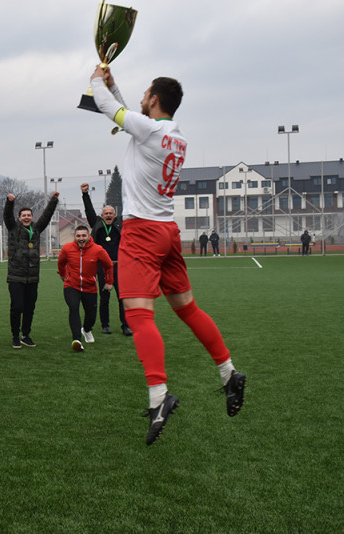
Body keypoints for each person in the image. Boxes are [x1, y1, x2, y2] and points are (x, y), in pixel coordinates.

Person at [91, 65, 246, 445]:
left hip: (142, 232)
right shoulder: (174, 136)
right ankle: (228, 372)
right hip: (168, 232)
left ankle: (159, 396)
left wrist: (97, 80)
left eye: (146, 95)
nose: (142, 99)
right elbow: (134, 118)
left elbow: (113, 111)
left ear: (155, 99)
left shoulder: (150, 130)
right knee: (188, 309)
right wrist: (115, 86)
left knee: (139, 315)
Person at [3, 191, 59, 349]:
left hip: (33, 277)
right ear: (19, 218)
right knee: (17, 307)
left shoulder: (36, 229)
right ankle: (15, 336)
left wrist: (53, 201)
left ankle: (25, 335)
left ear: (32, 217)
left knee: (29, 308)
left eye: (29, 215)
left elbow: (46, 216)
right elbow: (7, 215)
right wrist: (10, 203)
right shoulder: (13, 228)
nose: (26, 217)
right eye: (23, 215)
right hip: (15, 277)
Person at [82, 183, 132, 336]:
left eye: (111, 213)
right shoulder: (96, 223)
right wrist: (85, 194)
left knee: (122, 298)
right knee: (104, 297)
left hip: (119, 266)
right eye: (106, 213)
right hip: (102, 268)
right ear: (102, 216)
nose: (109, 215)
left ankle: (125, 326)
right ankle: (105, 325)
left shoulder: (121, 224)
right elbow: (89, 210)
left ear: (115, 215)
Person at [57, 225, 113, 351]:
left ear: (88, 236)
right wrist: (63, 275)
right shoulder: (67, 249)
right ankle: (77, 339)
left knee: (91, 316)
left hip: (90, 288)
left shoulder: (98, 250)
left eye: (83, 236)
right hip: (72, 285)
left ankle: (87, 330)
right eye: (78, 236)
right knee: (74, 308)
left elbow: (108, 265)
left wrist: (109, 282)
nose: (81, 238)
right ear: (74, 237)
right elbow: (61, 263)